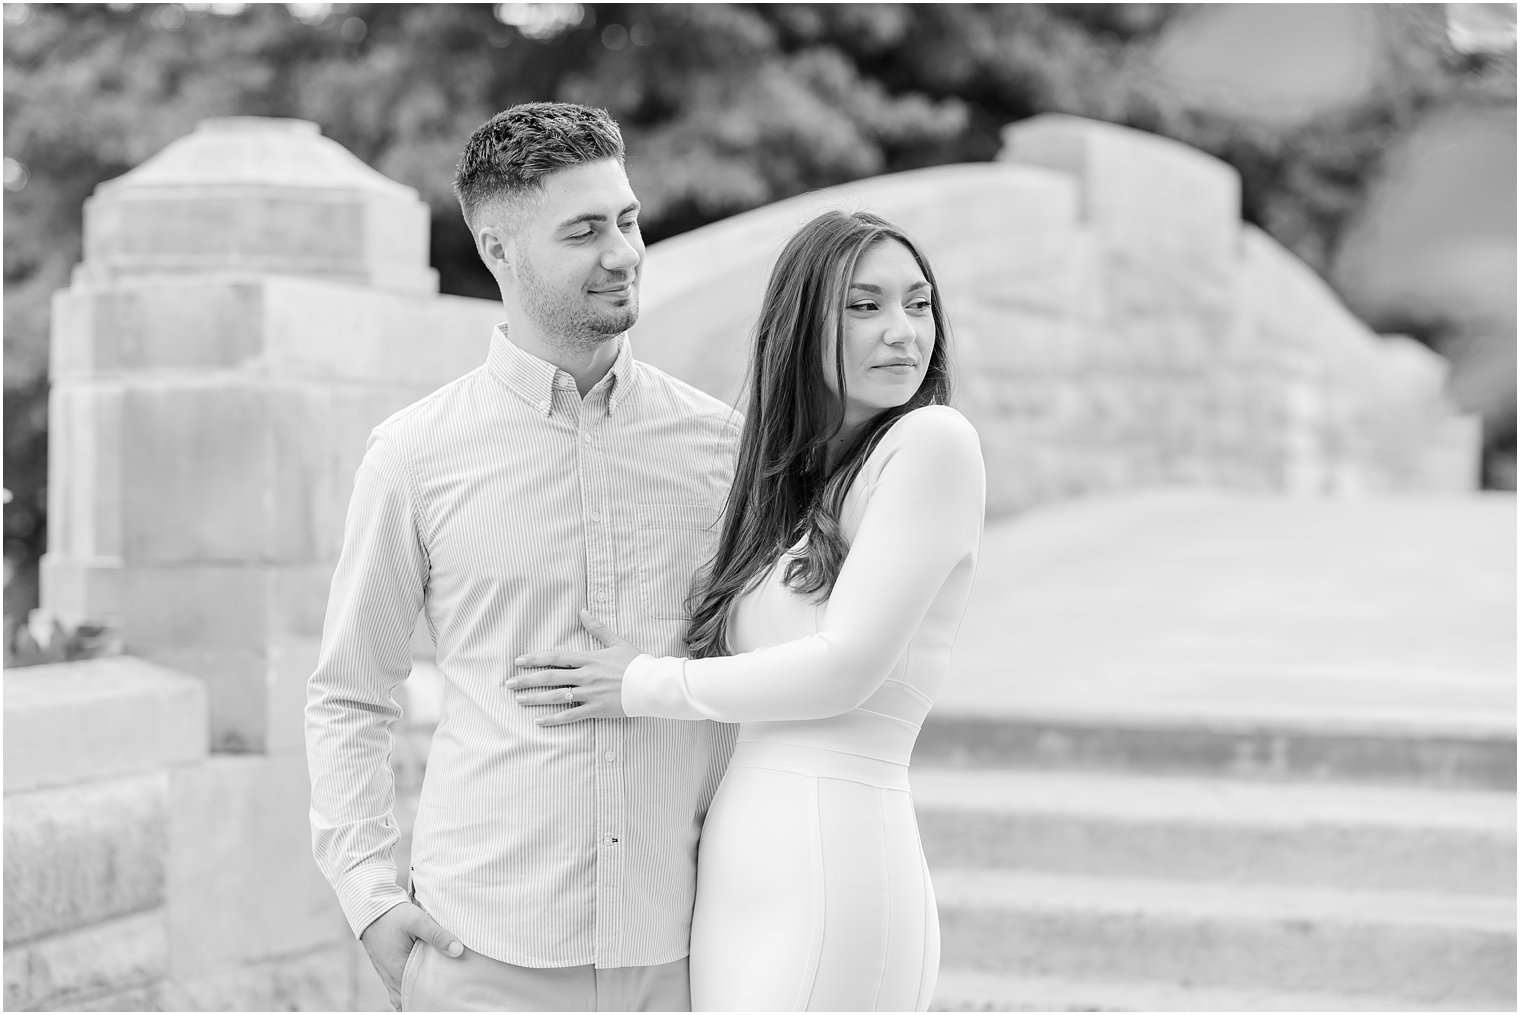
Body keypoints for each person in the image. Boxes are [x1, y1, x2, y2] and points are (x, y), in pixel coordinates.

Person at [305, 102, 741, 1012]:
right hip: (484, 959)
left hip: (682, 954)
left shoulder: (722, 447)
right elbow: (350, 691)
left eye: (627, 219)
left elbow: (751, 673)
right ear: (498, 251)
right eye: (583, 231)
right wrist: (367, 894)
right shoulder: (414, 454)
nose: (622, 251)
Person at [511, 209, 987, 1011]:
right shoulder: (801, 491)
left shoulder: (934, 443)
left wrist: (643, 683)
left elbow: (844, 669)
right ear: (803, 327)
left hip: (835, 863)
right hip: (744, 870)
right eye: (864, 306)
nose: (904, 332)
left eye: (918, 303)